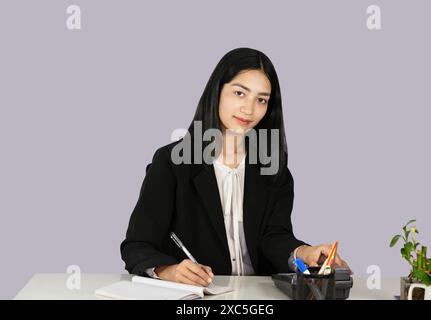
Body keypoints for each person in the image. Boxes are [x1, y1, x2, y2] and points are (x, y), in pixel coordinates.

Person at [120, 47, 350, 287]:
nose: (249, 109)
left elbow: (273, 238)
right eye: (240, 93)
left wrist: (302, 252)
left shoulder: (273, 168)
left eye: (261, 100)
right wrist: (168, 270)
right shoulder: (172, 162)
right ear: (217, 91)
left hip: (259, 296)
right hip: (200, 295)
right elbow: (137, 245)